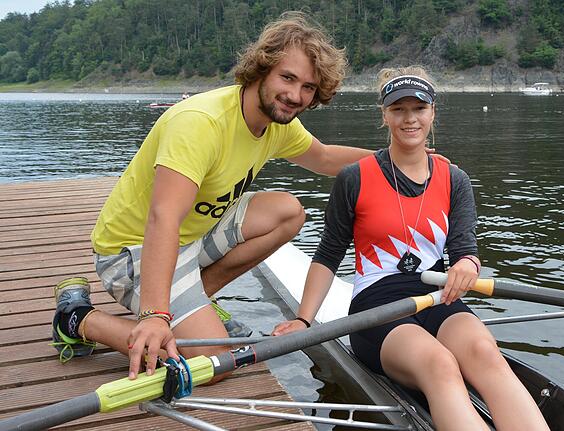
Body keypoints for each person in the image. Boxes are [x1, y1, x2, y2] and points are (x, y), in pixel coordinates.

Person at [50, 11, 378, 383]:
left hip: (192, 236)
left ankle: (191, 304)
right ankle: (78, 320)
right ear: (262, 69)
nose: (295, 95)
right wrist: (155, 314)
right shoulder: (200, 123)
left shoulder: (276, 121)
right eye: (288, 78)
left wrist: (394, 160)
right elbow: (163, 219)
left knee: (288, 212)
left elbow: (324, 156)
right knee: (215, 361)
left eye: (308, 88)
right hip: (132, 249)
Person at [272, 67, 550, 431]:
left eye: (418, 108)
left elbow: (466, 248)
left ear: (433, 113)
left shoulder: (454, 179)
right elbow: (329, 253)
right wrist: (304, 320)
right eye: (398, 109)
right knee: (440, 364)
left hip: (439, 297)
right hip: (377, 307)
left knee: (487, 354)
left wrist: (467, 264)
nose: (409, 118)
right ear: (384, 115)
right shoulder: (353, 177)